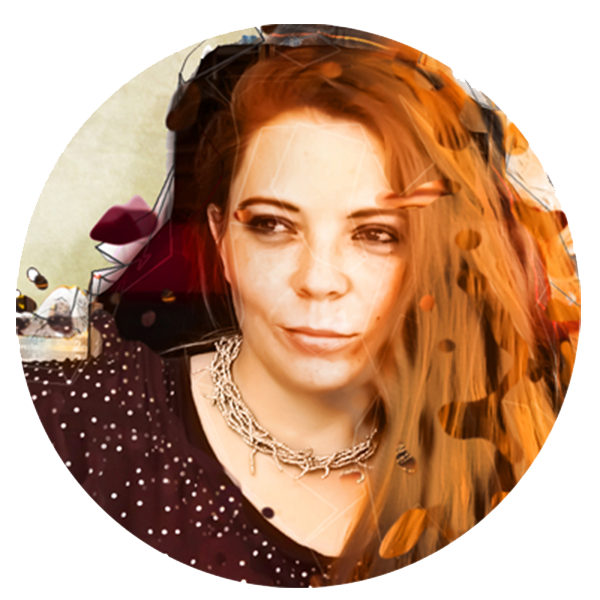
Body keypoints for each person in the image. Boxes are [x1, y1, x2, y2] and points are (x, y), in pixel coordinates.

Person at [20, 24, 580, 587]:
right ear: (222, 239)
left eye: (376, 234)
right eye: (272, 225)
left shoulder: (522, 465)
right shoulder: (69, 422)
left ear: (430, 258)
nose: (318, 280)